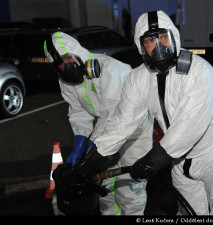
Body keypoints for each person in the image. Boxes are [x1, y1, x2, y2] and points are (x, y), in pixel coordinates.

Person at [83, 10, 213, 215]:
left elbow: (190, 125)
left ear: (174, 37)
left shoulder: (198, 71)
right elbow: (122, 122)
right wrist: (91, 160)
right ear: (141, 45)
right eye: (150, 40)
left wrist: (152, 161)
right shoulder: (138, 78)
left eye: (163, 37)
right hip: (180, 157)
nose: (159, 45)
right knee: (188, 211)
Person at [43, 31, 154, 215]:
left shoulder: (111, 69)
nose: (65, 67)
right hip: (105, 133)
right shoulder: (67, 81)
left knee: (130, 189)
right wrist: (80, 143)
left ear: (77, 51)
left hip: (135, 130)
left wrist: (92, 148)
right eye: (59, 64)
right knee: (103, 186)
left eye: (67, 59)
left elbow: (115, 116)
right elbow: (78, 112)